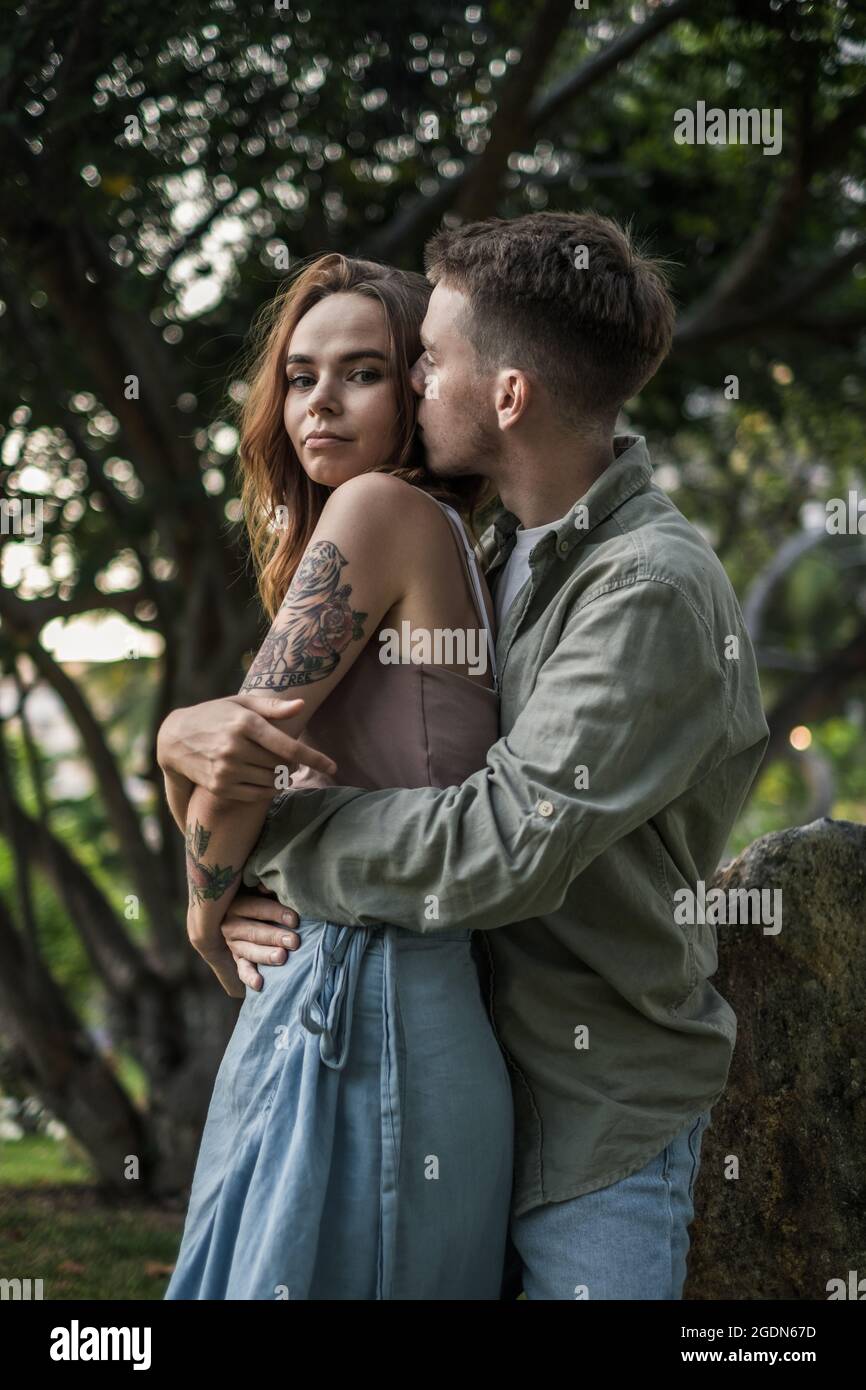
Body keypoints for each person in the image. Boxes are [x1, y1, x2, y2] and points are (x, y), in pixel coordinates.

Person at [160, 211, 771, 1301]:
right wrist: (180, 739)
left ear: (507, 396)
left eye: (423, 360)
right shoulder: (497, 549)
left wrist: (264, 854)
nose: (411, 378)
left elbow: (496, 846)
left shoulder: (645, 589)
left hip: (592, 1119)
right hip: (464, 1056)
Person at [159, 253, 514, 1300]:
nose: (319, 400)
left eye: (361, 371)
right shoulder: (441, 533)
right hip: (415, 1002)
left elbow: (245, 755)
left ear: (418, 387)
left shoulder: (376, 510)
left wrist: (201, 914)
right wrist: (181, 732)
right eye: (300, 375)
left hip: (359, 1003)